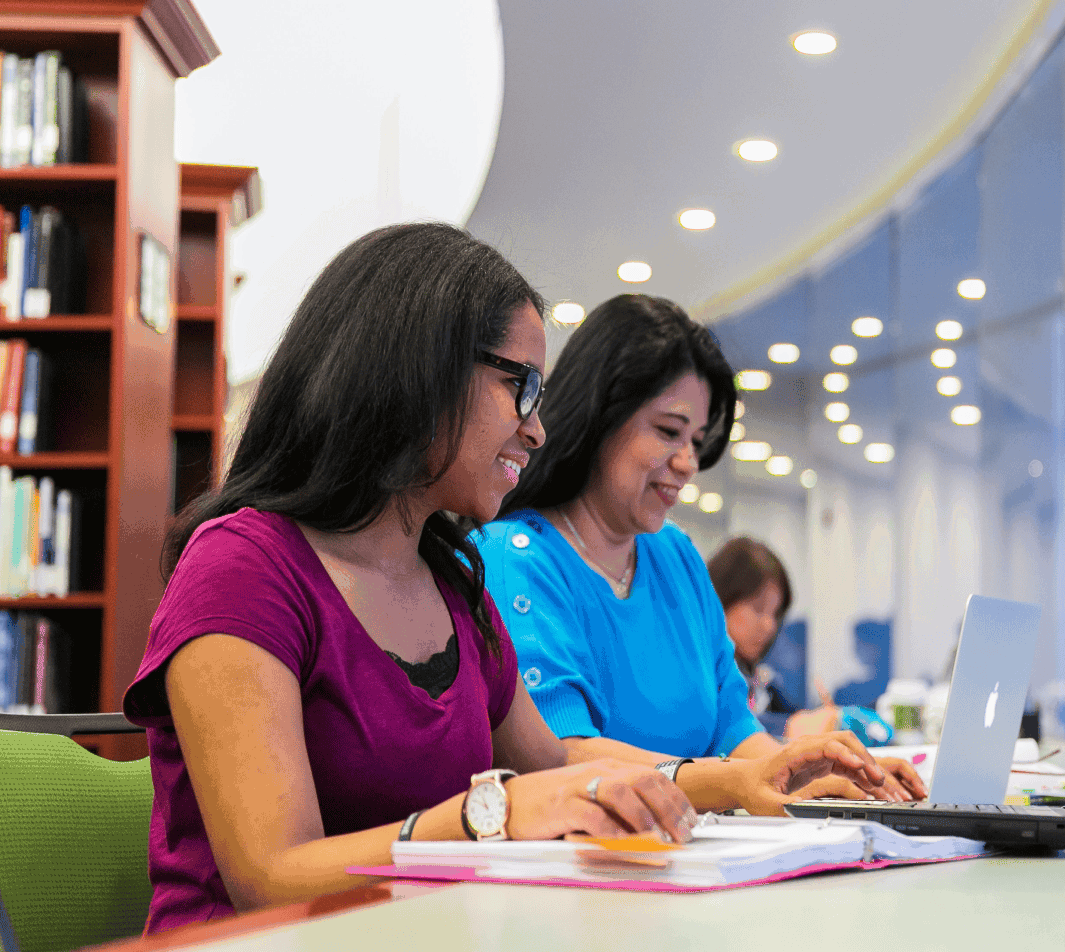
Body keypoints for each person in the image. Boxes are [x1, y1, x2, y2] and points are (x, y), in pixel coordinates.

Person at [122, 226, 885, 933]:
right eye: (518, 387)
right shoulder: (244, 566)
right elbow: (270, 875)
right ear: (414, 373)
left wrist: (737, 781)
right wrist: (495, 813)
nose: (537, 429)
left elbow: (553, 761)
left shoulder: (453, 581)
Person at [474, 294, 926, 805]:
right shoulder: (514, 561)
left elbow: (736, 730)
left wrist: (826, 776)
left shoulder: (678, 557)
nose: (689, 462)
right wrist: (731, 781)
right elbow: (563, 755)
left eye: (698, 439)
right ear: (599, 418)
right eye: (669, 431)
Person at [706, 535, 838, 738]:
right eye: (758, 609)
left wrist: (823, 720)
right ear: (720, 601)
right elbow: (716, 723)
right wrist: (788, 727)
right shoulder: (702, 674)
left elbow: (794, 714)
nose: (769, 626)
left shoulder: (763, 681)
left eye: (775, 613)